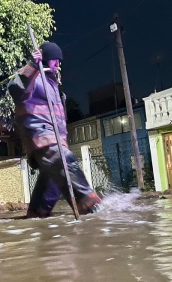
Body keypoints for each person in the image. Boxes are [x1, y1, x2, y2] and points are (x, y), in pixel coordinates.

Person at [8, 41, 103, 218]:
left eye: (59, 60)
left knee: (51, 181)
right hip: (40, 135)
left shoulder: (53, 85)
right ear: (45, 59)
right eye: (54, 60)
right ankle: (91, 205)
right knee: (65, 161)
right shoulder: (34, 78)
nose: (58, 64)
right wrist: (31, 66)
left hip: (55, 139)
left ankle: (36, 215)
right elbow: (16, 90)